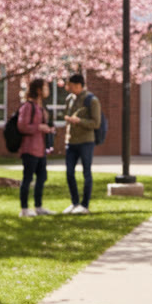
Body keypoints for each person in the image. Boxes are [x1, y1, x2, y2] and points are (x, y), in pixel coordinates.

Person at [62, 73, 101, 215]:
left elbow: (96, 123)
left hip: (86, 142)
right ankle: (74, 203)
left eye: (70, 85)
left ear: (78, 85)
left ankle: (84, 205)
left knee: (86, 173)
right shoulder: (69, 99)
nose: (68, 88)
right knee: (69, 173)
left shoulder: (92, 100)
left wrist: (79, 121)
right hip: (71, 141)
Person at [17, 78, 56, 217]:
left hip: (41, 149)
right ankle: (24, 209)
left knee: (42, 178)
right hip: (30, 149)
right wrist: (39, 127)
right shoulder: (28, 106)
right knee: (27, 178)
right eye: (45, 87)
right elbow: (22, 126)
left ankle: (38, 207)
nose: (48, 90)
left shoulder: (41, 107)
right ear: (38, 90)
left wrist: (49, 129)